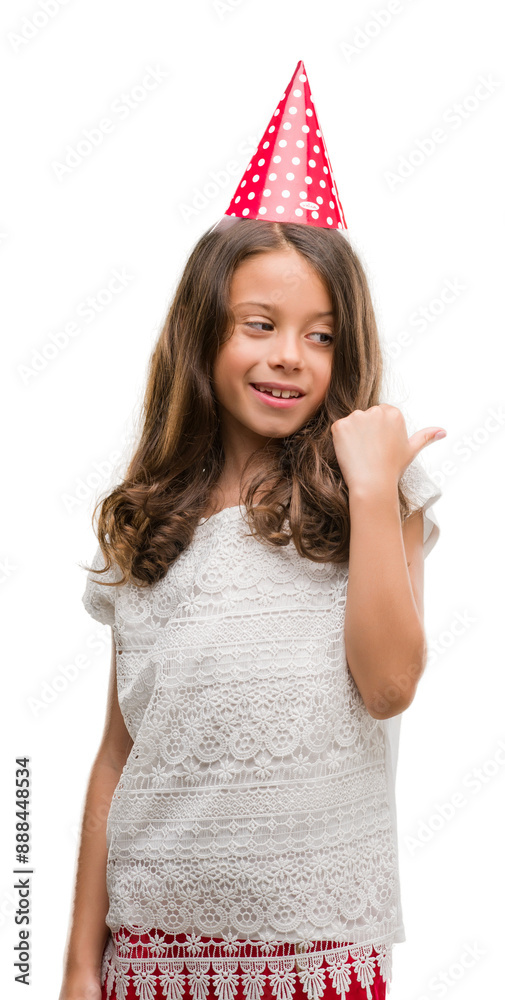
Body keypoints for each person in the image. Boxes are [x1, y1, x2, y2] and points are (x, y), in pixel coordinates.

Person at [58, 63, 445, 1000]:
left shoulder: (375, 494)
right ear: (204, 337)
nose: (288, 356)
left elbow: (388, 685)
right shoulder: (148, 520)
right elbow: (118, 754)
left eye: (320, 335)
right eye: (259, 324)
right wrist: (76, 966)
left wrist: (368, 487)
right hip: (152, 952)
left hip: (315, 953)